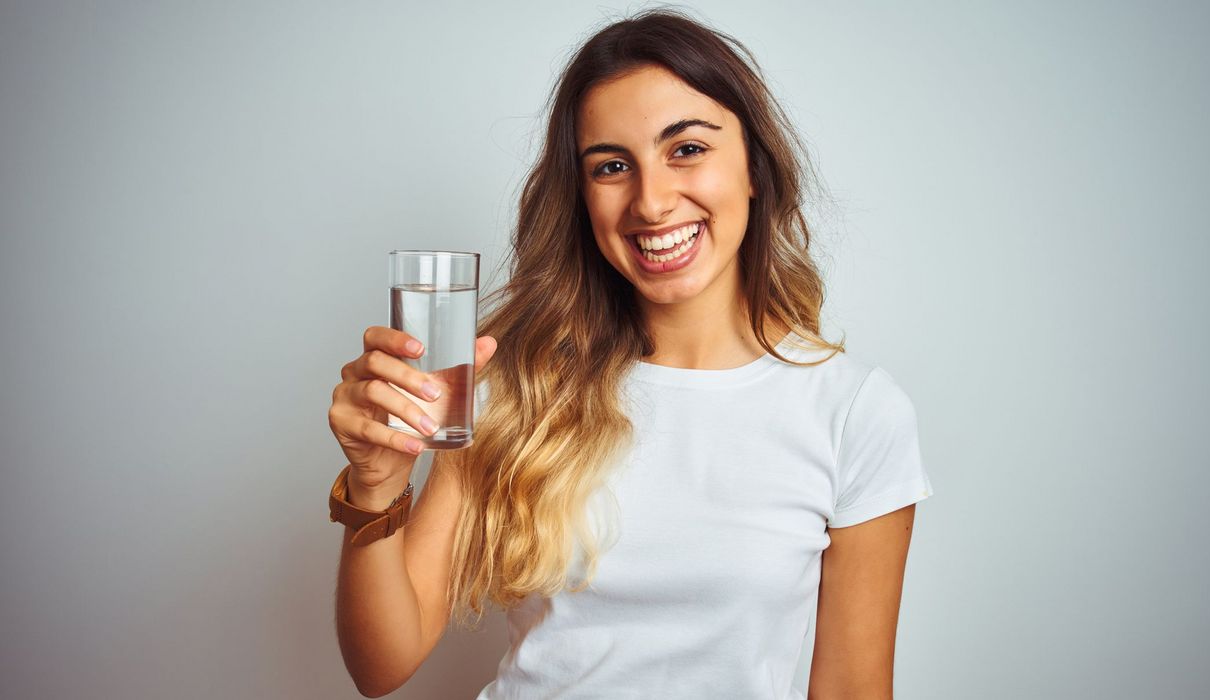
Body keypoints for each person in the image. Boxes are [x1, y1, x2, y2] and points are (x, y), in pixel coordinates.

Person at [327, 9, 934, 699]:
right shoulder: (514, 386)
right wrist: (375, 488)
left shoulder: (856, 413)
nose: (651, 201)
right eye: (612, 166)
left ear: (755, 168)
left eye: (687, 150)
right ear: (582, 197)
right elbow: (381, 666)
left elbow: (855, 687)